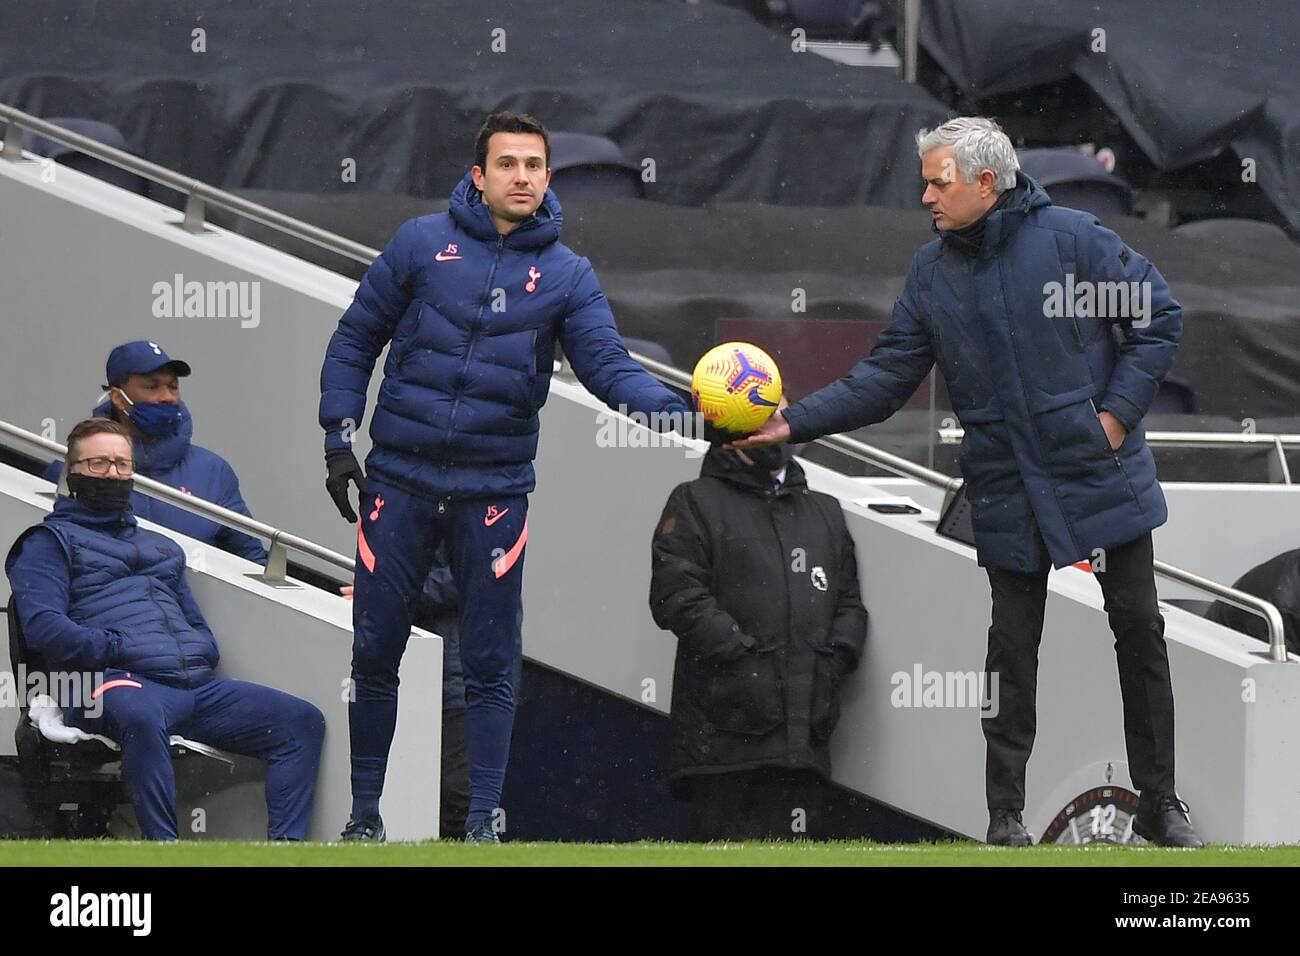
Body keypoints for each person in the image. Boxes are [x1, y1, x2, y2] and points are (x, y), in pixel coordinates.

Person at [734, 117, 1203, 847]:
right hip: (1006, 485)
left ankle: (1160, 802)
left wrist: (1113, 419)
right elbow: (887, 376)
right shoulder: (931, 272)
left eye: (937, 181)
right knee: (1010, 653)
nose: (925, 195)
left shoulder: (1074, 239)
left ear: (988, 182)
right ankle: (1006, 817)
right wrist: (793, 423)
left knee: (1139, 634)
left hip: (1098, 475)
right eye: (924, 180)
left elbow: (1157, 318)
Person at [319, 110, 691, 842]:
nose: (521, 176)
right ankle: (365, 817)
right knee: (374, 649)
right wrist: (337, 439)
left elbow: (610, 371)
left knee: (490, 661)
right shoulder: (420, 244)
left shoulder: (567, 274)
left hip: (493, 494)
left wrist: (690, 417)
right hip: (398, 479)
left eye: (534, 165)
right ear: (478, 176)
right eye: (508, 164)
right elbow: (356, 336)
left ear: (549, 178)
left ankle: (482, 825)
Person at [7, 419, 324, 841]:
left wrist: (200, 650)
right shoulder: (48, 542)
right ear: (73, 472)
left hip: (190, 685)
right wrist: (117, 645)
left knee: (301, 721)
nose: (113, 474)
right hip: (109, 683)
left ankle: (287, 852)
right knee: (140, 714)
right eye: (98, 463)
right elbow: (45, 630)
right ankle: (165, 851)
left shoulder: (160, 546)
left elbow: (193, 619)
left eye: (122, 464)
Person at [650, 403, 867, 840]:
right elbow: (677, 595)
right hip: (723, 741)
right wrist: (743, 659)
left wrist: (832, 663)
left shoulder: (824, 511)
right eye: (759, 416)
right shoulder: (694, 501)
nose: (774, 427)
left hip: (805, 741)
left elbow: (849, 605)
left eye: (779, 413)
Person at [45, 340, 267, 564]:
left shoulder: (214, 471)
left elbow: (252, 558)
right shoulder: (77, 468)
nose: (168, 397)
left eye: (173, 386)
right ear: (119, 398)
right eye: (152, 387)